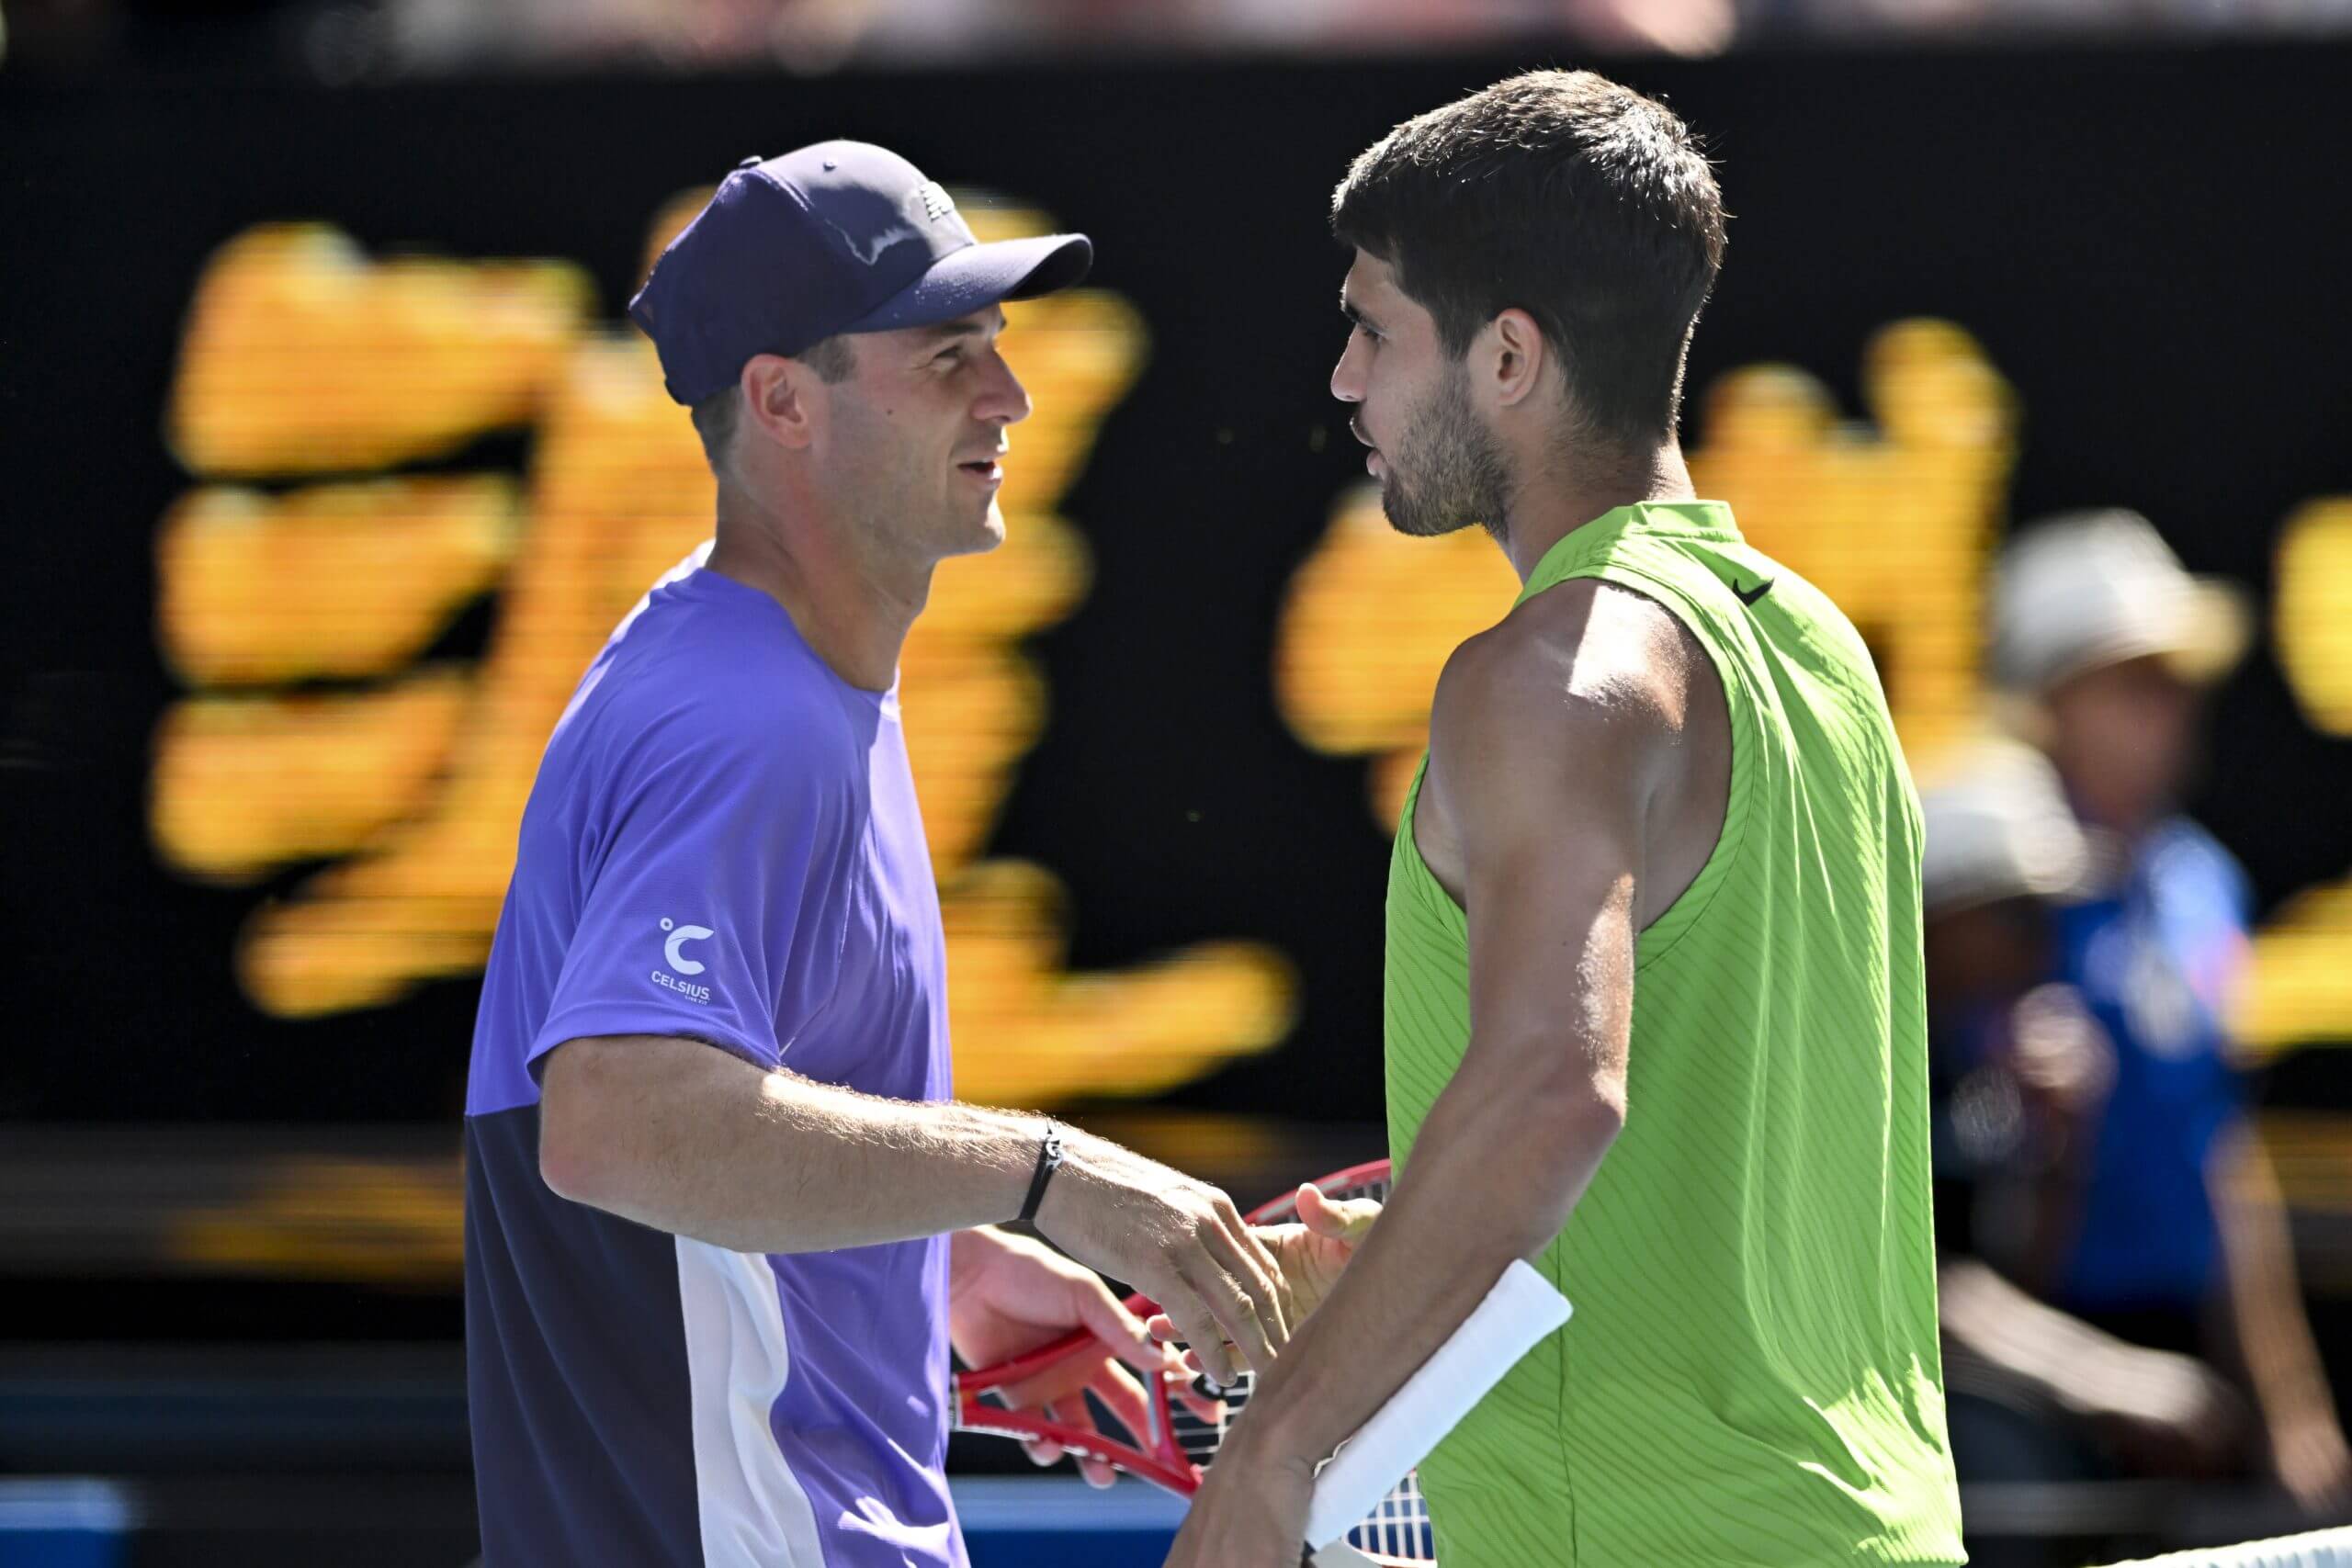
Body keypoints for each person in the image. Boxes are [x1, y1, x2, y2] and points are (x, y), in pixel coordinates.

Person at [461, 141, 1296, 1568]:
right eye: (945, 356)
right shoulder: (749, 717)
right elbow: (612, 1122)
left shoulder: (754, 668)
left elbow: (702, 1152)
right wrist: (1042, 1169)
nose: (1011, 397)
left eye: (999, 348)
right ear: (783, 400)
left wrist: (932, 1264)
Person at [1167, 69, 1963, 1567]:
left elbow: (1554, 1090)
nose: (1345, 380)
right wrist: (1405, 1246)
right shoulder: (1817, 652)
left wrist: (1277, 1452)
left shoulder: (1552, 677)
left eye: (1376, 331)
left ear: (1510, 357)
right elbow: (1688, 1125)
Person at [1988, 509, 2352, 1518]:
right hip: (2009, 1381)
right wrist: (2077, 1371)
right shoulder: (1971, 901)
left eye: (2178, 678)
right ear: (2046, 701)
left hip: (2183, 1378)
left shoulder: (2202, 882)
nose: (2174, 706)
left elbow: (2220, 1152)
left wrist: (2290, 1408)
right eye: (2133, 680)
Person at [1917, 742, 2247, 1567]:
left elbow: (2011, 1277)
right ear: (1936, 911)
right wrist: (2108, 1376)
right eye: (2015, 912)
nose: (2041, 944)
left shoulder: (1968, 1061)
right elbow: (1910, 1281)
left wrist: (2062, 1146)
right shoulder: (1862, 1049)